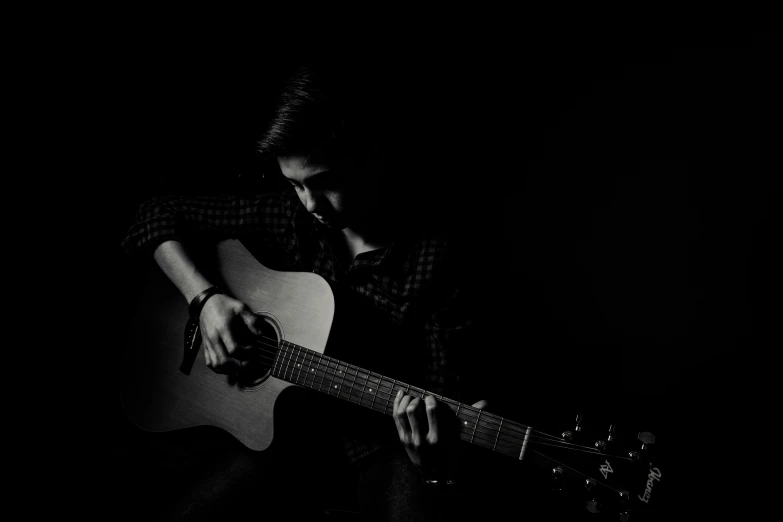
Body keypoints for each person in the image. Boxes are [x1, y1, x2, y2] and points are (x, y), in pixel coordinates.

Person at [120, 59, 505, 521]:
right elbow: (154, 215)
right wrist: (204, 300)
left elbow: (444, 399)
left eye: (324, 183)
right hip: (282, 435)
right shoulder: (290, 215)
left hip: (378, 446)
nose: (310, 204)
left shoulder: (437, 258)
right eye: (295, 185)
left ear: (373, 155)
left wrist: (433, 460)